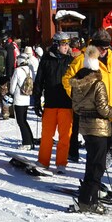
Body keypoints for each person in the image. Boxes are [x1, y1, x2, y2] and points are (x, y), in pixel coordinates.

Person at [70, 46, 112, 214]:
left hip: (85, 126)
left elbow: (76, 107)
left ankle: (85, 199)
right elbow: (104, 109)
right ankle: (90, 202)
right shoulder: (98, 84)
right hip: (99, 127)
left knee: (91, 165)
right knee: (97, 167)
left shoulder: (77, 83)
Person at [34, 32, 74, 172]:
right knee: (46, 135)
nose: (66, 47)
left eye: (67, 44)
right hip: (50, 103)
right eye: (63, 44)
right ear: (56, 45)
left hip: (66, 104)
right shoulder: (46, 60)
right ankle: (43, 161)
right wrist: (37, 100)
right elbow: (38, 81)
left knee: (65, 135)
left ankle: (61, 162)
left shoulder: (70, 61)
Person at [9, 50, 36, 149]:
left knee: (21, 121)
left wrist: (11, 92)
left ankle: (27, 142)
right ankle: (30, 140)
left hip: (18, 98)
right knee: (24, 120)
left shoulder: (18, 70)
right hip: (27, 98)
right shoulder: (30, 70)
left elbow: (12, 87)